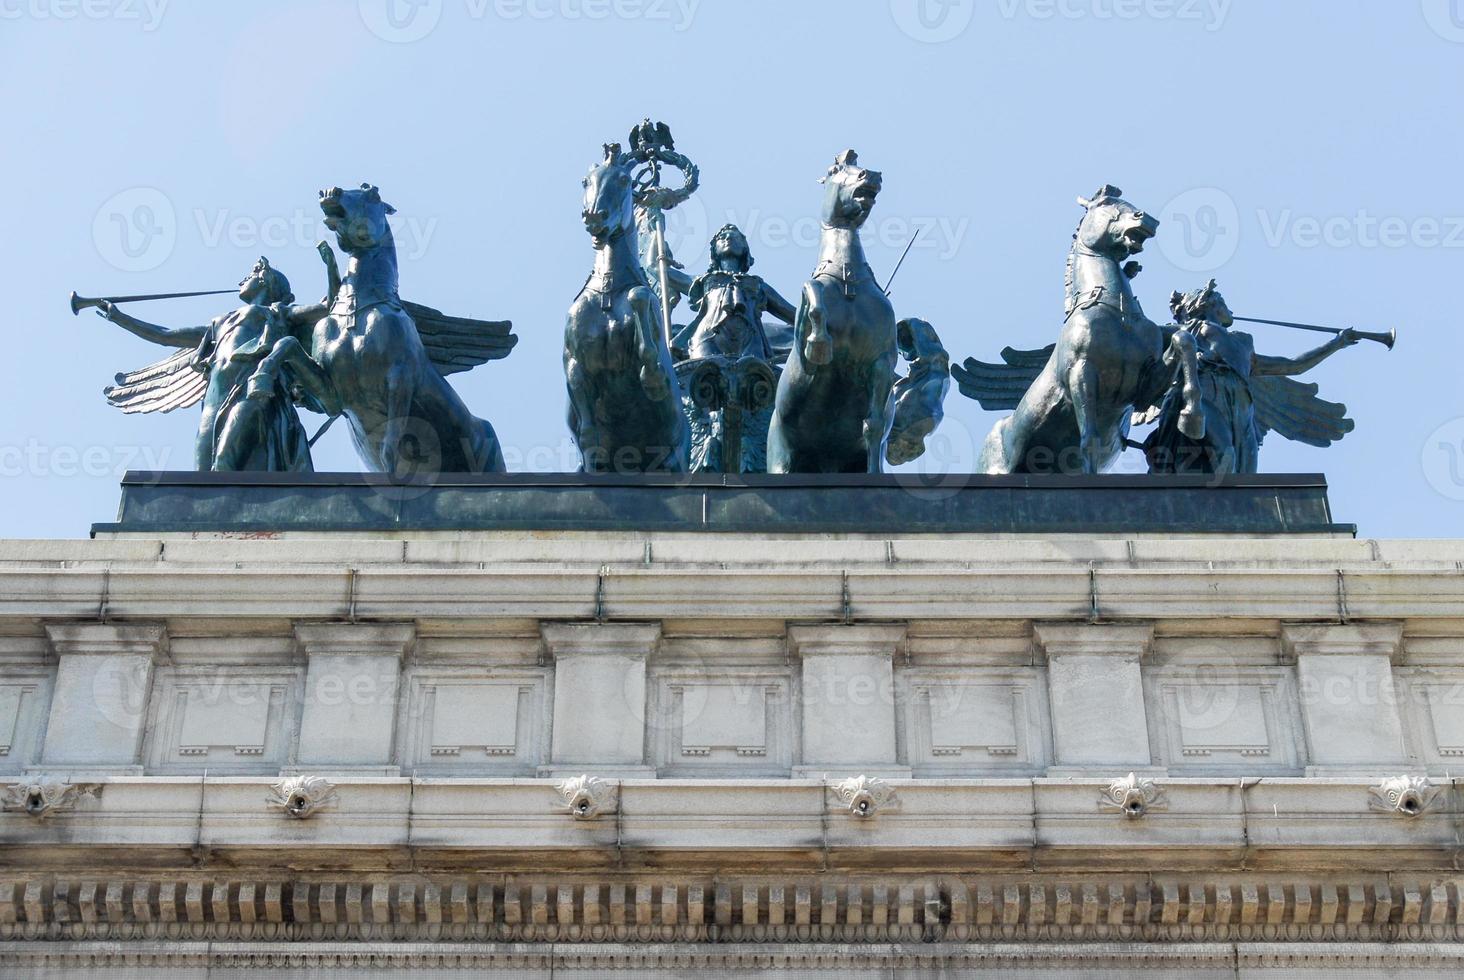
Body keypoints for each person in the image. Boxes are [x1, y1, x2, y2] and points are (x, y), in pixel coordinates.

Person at [100, 255, 341, 471]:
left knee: (224, 464)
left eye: (250, 275)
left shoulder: (279, 313)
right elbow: (165, 335)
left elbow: (328, 306)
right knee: (203, 476)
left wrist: (331, 267)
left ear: (266, 281)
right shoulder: (219, 323)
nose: (241, 281)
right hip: (213, 403)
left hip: (252, 394)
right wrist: (119, 318)